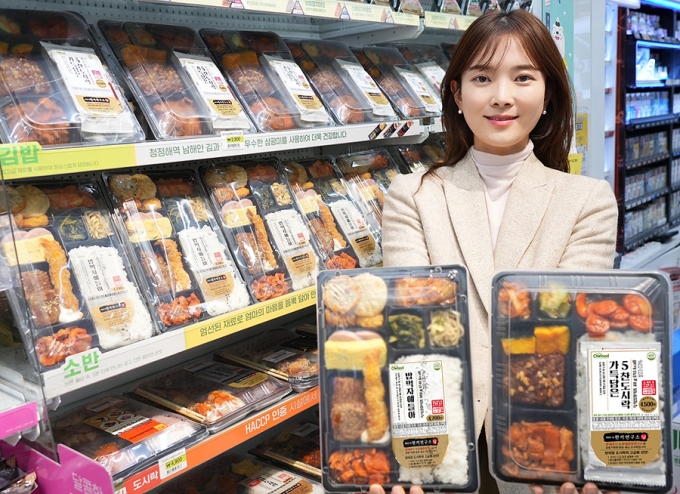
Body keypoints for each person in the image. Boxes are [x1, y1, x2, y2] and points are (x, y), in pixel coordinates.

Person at [378, 8, 619, 494]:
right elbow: (414, 333)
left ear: (548, 94)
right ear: (457, 93)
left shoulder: (587, 201)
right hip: (443, 440)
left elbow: (573, 334)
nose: (501, 96)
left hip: (543, 443)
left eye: (523, 77)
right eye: (482, 77)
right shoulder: (414, 196)